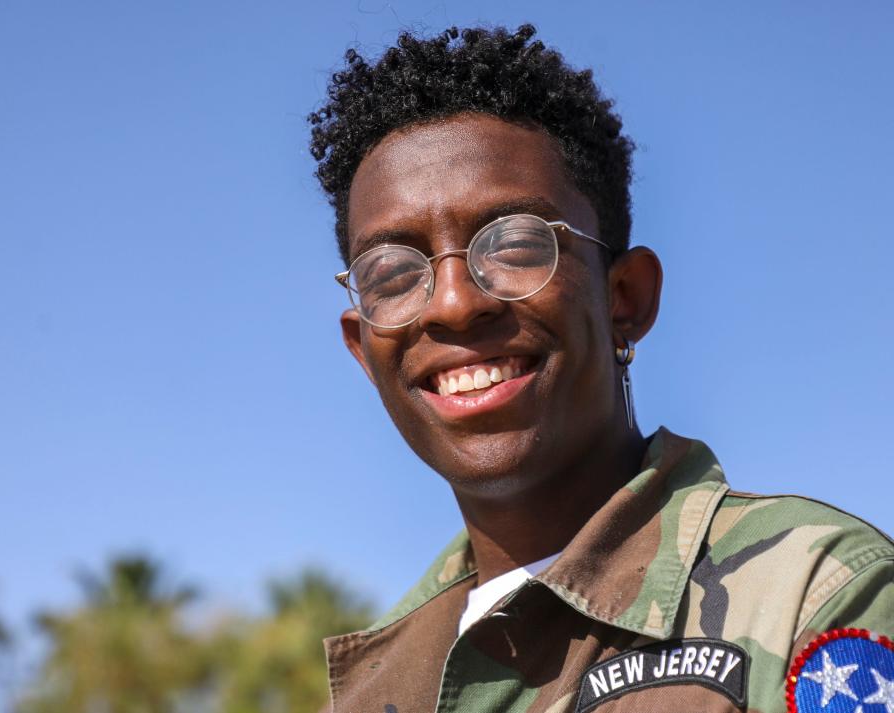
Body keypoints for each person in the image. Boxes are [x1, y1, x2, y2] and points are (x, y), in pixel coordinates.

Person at [307, 25, 894, 713]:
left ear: (626, 299)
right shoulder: (376, 690)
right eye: (391, 272)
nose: (457, 304)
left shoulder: (814, 594)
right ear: (363, 348)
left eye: (517, 243)